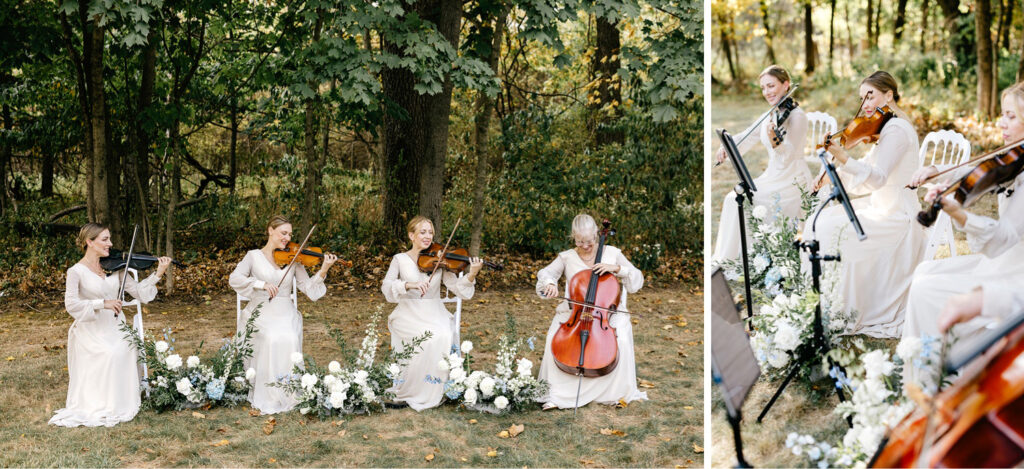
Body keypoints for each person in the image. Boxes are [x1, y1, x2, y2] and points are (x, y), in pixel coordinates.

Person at [803, 71, 927, 338]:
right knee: (825, 220)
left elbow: (878, 178)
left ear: (889, 95)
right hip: (882, 205)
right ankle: (826, 301)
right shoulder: (888, 128)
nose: (865, 104)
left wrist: (844, 158)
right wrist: (831, 177)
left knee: (830, 229)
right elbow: (867, 171)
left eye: (870, 95)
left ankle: (842, 306)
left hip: (898, 216)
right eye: (862, 97)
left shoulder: (896, 130)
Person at [902, 82, 1024, 343]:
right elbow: (981, 169)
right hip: (1000, 263)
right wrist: (938, 170)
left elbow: (1002, 239)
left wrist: (960, 215)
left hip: (1014, 275)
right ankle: (923, 362)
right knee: (924, 271)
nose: (1002, 123)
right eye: (1002, 114)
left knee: (925, 287)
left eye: (1011, 116)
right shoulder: (1015, 158)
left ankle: (932, 368)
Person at [50, 223, 171, 427]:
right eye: (105, 239)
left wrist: (158, 273)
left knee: (126, 346)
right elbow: (71, 304)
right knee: (110, 352)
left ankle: (121, 401)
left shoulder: (115, 267)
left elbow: (140, 293)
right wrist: (102, 303)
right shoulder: (76, 272)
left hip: (116, 326)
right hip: (91, 328)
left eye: (109, 239)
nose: (111, 244)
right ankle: (101, 403)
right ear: (90, 242)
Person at [229, 215, 338, 414]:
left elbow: (308, 289)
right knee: (271, 337)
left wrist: (323, 269)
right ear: (270, 230)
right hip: (260, 310)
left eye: (290, 234)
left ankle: (288, 392)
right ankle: (269, 392)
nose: (287, 238)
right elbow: (235, 278)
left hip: (284, 311)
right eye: (283, 233)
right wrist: (260, 284)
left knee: (287, 336)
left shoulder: (295, 258)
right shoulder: (253, 256)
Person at [535, 214, 646, 409]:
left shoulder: (612, 252)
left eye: (589, 241)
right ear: (573, 237)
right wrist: (550, 283)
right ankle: (558, 393)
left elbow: (636, 278)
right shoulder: (567, 257)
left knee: (621, 339)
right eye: (580, 241)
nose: (585, 246)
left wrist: (617, 268)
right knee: (554, 336)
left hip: (606, 315)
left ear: (597, 234)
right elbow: (546, 273)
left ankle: (615, 393)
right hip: (575, 313)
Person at [380, 215, 482, 410]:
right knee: (422, 337)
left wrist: (472, 274)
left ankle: (436, 388)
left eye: (431, 233)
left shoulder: (439, 259)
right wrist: (409, 285)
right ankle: (410, 389)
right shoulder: (399, 259)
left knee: (441, 335)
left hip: (434, 312)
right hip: (408, 312)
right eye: (423, 232)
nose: (428, 237)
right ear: (411, 235)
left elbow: (458, 289)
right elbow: (386, 287)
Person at [712, 65, 811, 263]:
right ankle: (733, 258)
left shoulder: (797, 116)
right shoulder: (771, 114)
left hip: (792, 180)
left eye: (771, 86)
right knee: (733, 198)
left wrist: (776, 141)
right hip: (773, 176)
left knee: (739, 200)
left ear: (786, 85)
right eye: (763, 88)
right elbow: (748, 136)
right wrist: (728, 145)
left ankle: (748, 258)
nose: (767, 92)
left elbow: (788, 157)